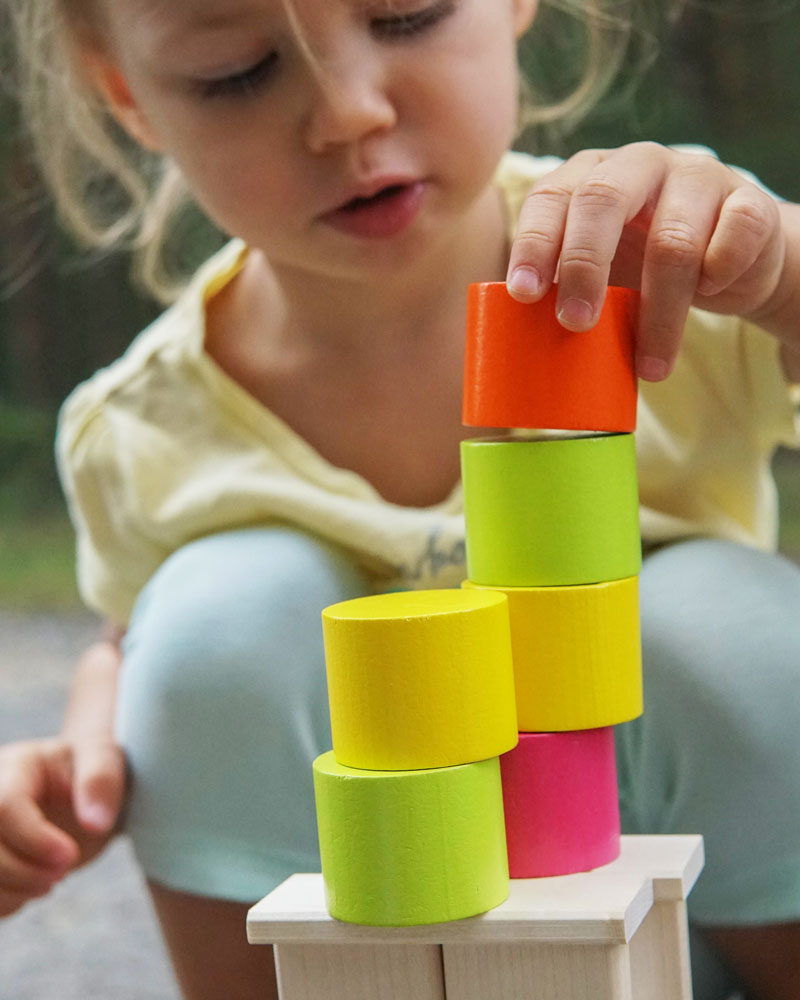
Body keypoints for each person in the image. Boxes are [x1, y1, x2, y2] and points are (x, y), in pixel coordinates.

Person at [0, 0, 799, 997]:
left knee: (720, 620)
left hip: (683, 921)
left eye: (404, 16)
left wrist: (780, 277)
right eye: (236, 72)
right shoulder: (139, 429)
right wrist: (82, 761)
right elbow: (139, 638)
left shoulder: (667, 275)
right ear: (131, 96)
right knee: (213, 622)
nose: (344, 114)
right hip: (365, 925)